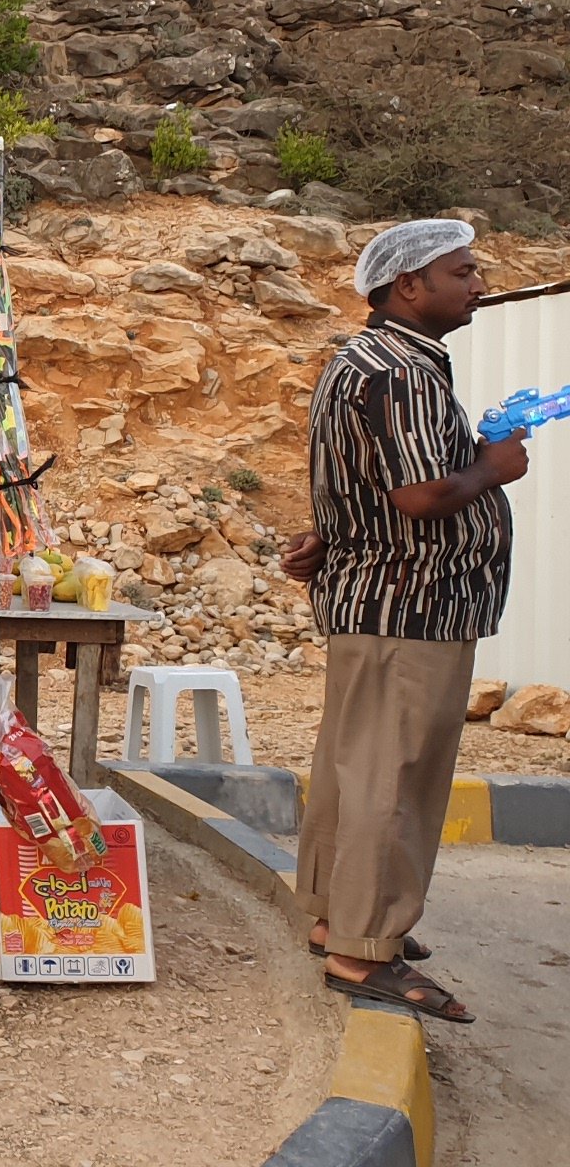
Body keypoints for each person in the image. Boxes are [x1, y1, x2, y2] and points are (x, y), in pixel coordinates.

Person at [278, 218, 523, 1024]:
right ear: (409, 285)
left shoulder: (363, 360)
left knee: (357, 771)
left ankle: (332, 916)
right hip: (411, 608)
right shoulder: (402, 373)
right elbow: (418, 497)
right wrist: (495, 466)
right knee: (397, 781)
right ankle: (360, 952)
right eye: (464, 271)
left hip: (377, 600)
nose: (477, 284)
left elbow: (362, 486)